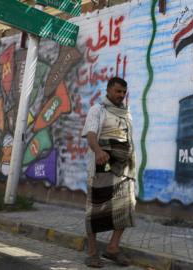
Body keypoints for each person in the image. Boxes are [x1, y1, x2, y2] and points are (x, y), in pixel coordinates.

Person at [81, 77, 136, 268]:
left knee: (126, 206)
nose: (121, 95)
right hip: (102, 165)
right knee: (97, 207)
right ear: (109, 90)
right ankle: (92, 252)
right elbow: (90, 134)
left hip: (124, 168)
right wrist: (98, 151)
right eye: (118, 91)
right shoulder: (98, 109)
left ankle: (112, 249)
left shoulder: (126, 113)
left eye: (124, 92)